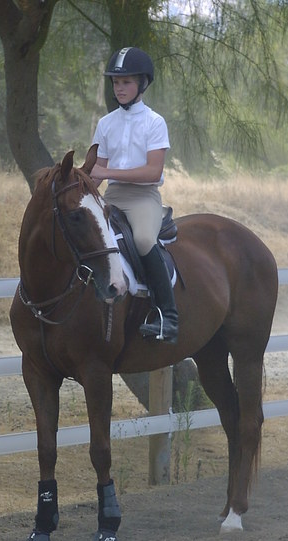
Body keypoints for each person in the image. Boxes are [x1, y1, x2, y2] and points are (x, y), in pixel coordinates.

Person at [91, 46, 178, 344]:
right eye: (116, 82)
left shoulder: (155, 122)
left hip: (143, 197)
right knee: (88, 237)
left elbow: (153, 172)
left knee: (142, 240)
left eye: (126, 82)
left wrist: (106, 172)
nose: (119, 88)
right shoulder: (105, 124)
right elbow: (97, 173)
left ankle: (168, 316)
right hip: (112, 195)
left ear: (142, 83)